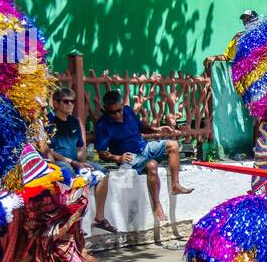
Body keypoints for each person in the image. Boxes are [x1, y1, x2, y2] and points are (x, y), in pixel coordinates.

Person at [93, 90, 193, 223]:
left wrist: (156, 130)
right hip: (129, 157)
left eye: (119, 110)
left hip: (145, 147)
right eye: (113, 112)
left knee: (173, 145)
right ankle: (157, 206)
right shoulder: (102, 125)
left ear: (123, 105)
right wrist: (118, 158)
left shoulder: (128, 111)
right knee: (152, 166)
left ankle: (175, 185)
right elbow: (101, 153)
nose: (117, 114)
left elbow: (140, 127)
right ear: (105, 110)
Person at [45, 86, 116, 233]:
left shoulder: (74, 121)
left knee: (103, 172)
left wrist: (82, 162)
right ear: (56, 104)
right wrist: (72, 162)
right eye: (66, 101)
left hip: (74, 161)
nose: (70, 104)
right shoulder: (49, 122)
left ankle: (100, 218)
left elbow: (80, 147)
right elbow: (48, 150)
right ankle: (72, 222)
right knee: (69, 172)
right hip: (58, 163)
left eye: (73, 101)